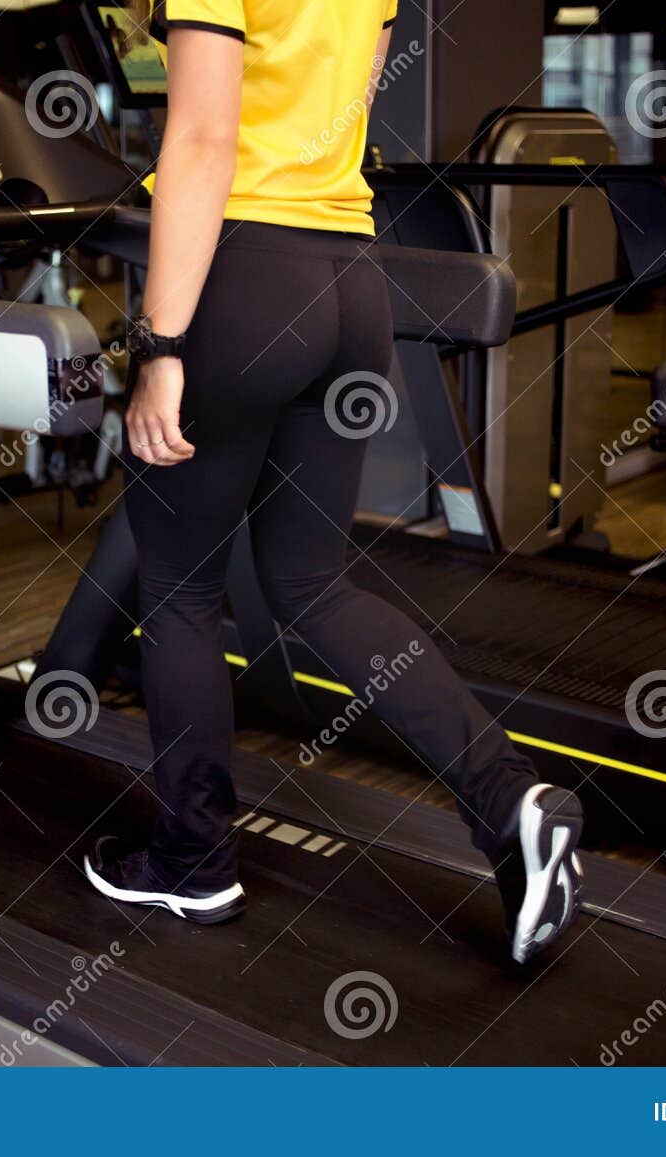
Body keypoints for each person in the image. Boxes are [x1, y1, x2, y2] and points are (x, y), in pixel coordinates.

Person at [81, 0, 585, 965]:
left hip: (244, 276)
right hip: (351, 277)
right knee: (314, 583)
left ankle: (192, 860)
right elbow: (341, 105)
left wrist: (162, 346)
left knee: (180, 588)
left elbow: (201, 138)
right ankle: (509, 800)